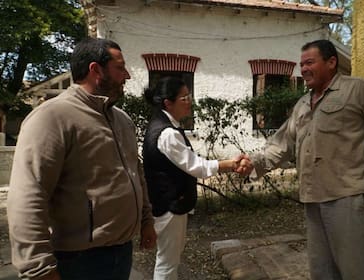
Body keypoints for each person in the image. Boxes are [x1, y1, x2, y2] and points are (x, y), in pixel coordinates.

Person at [237, 39, 364, 280]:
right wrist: (254, 162)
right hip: (313, 197)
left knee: (358, 271)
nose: (303, 69)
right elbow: (282, 143)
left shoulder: (359, 90)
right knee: (323, 272)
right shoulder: (303, 104)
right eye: (301, 64)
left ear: (331, 62)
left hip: (348, 197)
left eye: (309, 62)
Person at [7, 38, 156, 280]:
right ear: (96, 70)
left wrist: (146, 220)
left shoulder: (122, 120)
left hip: (121, 252)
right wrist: (38, 268)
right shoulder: (52, 118)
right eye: (120, 68)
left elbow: (135, 173)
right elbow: (28, 196)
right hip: (77, 262)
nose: (127, 75)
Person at [142, 76, 241, 280]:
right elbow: (196, 166)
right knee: (167, 264)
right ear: (168, 103)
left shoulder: (166, 125)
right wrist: (230, 164)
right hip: (169, 206)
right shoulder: (167, 133)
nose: (190, 101)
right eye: (184, 98)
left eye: (189, 96)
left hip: (169, 203)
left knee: (170, 260)